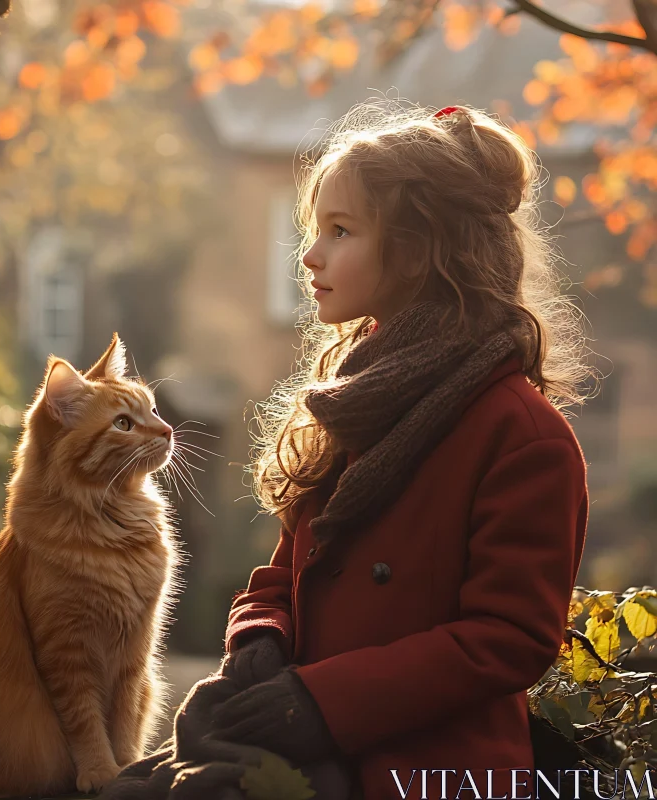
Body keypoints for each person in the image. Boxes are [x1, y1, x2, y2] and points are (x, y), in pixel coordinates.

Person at [205, 100, 592, 800]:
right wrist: (260, 637)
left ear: (418, 250)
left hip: (430, 775)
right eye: (312, 229)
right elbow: (293, 568)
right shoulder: (360, 401)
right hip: (305, 761)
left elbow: (508, 637)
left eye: (341, 230)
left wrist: (327, 703)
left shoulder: (523, 436)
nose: (310, 254)